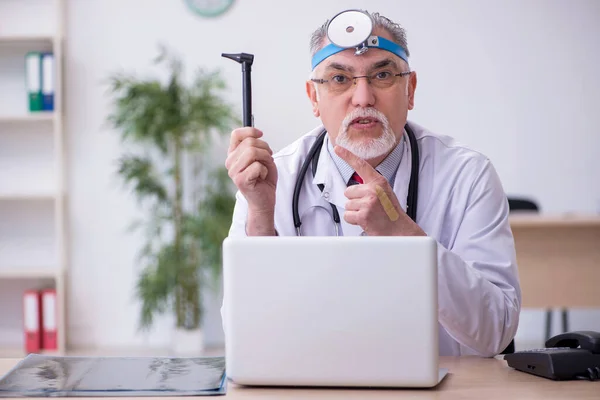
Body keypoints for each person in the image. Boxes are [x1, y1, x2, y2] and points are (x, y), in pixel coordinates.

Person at [224, 9, 521, 357]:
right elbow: (244, 337)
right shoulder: (270, 180)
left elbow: (495, 332)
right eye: (339, 79)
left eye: (382, 75)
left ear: (409, 90)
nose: (363, 98)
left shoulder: (467, 177)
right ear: (313, 98)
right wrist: (260, 214)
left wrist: (403, 235)